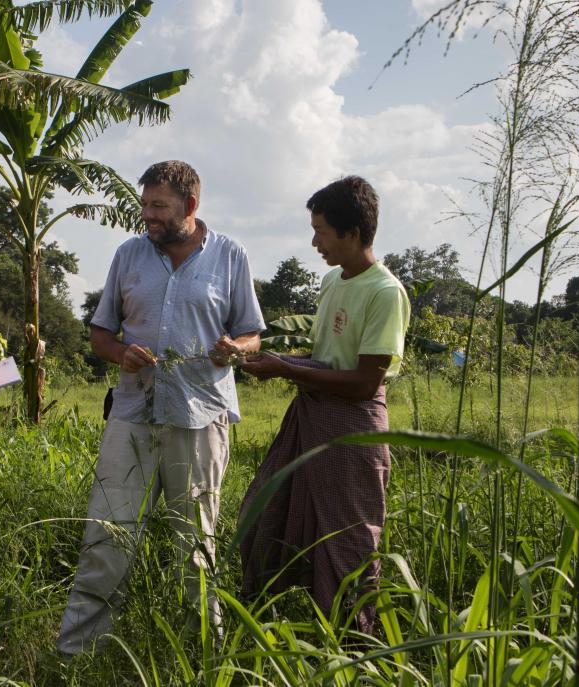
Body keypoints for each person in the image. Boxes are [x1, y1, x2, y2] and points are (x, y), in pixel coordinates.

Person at [57, 160, 266, 654]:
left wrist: (235, 348)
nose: (147, 214)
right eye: (144, 204)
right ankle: (79, 654)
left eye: (159, 206)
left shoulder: (230, 255)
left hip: (201, 415)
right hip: (132, 413)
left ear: (190, 206)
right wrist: (121, 354)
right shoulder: (129, 255)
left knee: (193, 545)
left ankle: (197, 655)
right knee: (108, 537)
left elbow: (254, 334)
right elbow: (101, 333)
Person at [237, 175, 410, 636]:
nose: (314, 242)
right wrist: (264, 360)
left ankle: (354, 648)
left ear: (353, 234)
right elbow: (326, 358)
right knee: (262, 515)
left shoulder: (385, 292)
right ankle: (271, 624)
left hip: (354, 427)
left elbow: (363, 381)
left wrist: (287, 370)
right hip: (311, 416)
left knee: (349, 544)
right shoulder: (333, 279)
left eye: (322, 232)